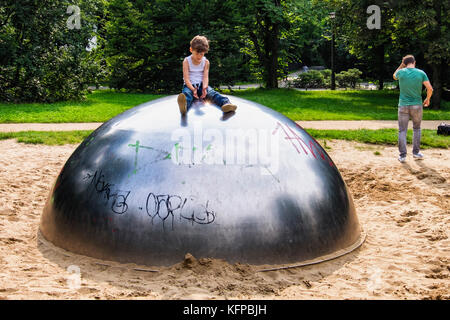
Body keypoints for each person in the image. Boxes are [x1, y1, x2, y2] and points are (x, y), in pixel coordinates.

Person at [177, 35, 237, 115]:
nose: (199, 56)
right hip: (189, 86)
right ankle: (184, 107)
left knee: (212, 94)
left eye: (202, 54)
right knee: (187, 95)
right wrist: (193, 89)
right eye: (197, 53)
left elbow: (205, 77)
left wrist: (205, 88)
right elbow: (186, 78)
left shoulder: (206, 62)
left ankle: (226, 103)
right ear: (191, 50)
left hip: (202, 85)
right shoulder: (186, 61)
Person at [393, 54, 433, 163]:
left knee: (402, 130)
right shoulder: (421, 73)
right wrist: (427, 99)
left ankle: (402, 156)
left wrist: (402, 64)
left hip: (403, 105)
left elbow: (394, 75)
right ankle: (416, 153)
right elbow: (430, 88)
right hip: (417, 105)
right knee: (417, 128)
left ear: (404, 63)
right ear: (414, 62)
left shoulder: (401, 72)